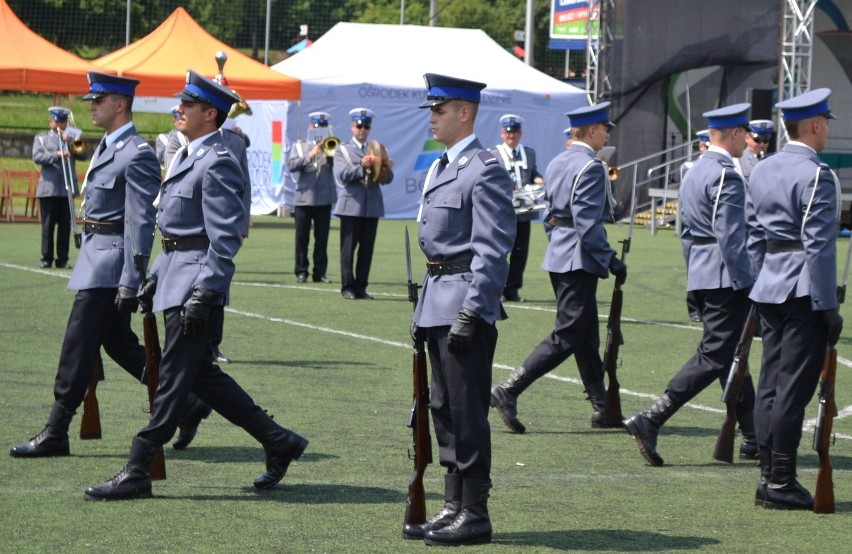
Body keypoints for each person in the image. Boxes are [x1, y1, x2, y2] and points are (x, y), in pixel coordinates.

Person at [83, 70, 308, 501]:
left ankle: (138, 465)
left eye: (186, 105)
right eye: (179, 103)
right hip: (175, 276)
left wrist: (206, 291)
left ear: (210, 113)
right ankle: (278, 439)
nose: (177, 110)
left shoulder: (218, 159)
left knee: (174, 377)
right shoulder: (188, 153)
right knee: (200, 375)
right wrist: (154, 276)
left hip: (195, 285)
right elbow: (174, 229)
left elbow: (223, 239)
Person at [10, 73, 163, 458]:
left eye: (100, 99)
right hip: (97, 258)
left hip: (110, 266)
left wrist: (132, 277)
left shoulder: (137, 152)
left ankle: (57, 428)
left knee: (77, 344)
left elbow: (140, 222)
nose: (91, 105)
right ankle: (190, 400)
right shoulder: (108, 145)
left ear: (121, 104)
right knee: (118, 344)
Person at [402, 73, 515, 546]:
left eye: (440, 110)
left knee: (468, 412)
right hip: (436, 300)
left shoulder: (484, 167)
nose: (432, 118)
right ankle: (452, 506)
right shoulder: (442, 166)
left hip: (464, 303)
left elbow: (493, 247)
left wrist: (475, 308)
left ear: (464, 113)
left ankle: (476, 512)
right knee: (443, 409)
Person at [623, 103, 758, 466]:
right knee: (718, 353)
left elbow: (685, 233)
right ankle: (653, 417)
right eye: (744, 133)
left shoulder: (696, 171)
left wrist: (695, 280)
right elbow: (731, 238)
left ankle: (753, 433)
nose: (747, 140)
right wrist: (747, 283)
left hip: (704, 270)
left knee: (733, 352)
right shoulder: (727, 174)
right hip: (726, 275)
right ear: (732, 135)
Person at [490, 102, 627, 434]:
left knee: (585, 334)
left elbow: (550, 216)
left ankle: (601, 406)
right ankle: (509, 390)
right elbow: (587, 223)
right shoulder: (591, 167)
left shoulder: (558, 161)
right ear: (593, 130)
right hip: (579, 258)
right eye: (604, 129)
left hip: (561, 254)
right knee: (568, 333)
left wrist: (560, 243)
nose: (606, 135)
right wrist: (610, 258)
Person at [746, 88, 842, 510]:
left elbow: (753, 235)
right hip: (803, 288)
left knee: (770, 383)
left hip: (769, 284)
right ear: (816, 125)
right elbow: (819, 247)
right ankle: (781, 481)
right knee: (793, 389)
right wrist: (828, 305)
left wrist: (760, 281)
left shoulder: (762, 169)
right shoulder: (818, 173)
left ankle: (769, 475)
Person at [333, 107, 394, 299]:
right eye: (359, 126)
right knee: (348, 250)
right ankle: (348, 287)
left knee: (366, 251)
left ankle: (361, 287)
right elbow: (342, 175)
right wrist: (362, 167)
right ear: (352, 126)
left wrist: (385, 168)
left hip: (372, 206)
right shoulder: (342, 150)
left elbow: (387, 179)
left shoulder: (376, 149)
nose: (362, 130)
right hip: (350, 206)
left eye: (366, 126)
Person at [490, 114, 544, 303]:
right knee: (500, 252)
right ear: (501, 134)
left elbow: (533, 172)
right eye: (507, 132)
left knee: (520, 253)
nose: (511, 136)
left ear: (520, 134)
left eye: (514, 133)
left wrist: (538, 178)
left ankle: (513, 290)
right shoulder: (494, 153)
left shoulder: (529, 153)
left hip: (524, 211)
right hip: (502, 212)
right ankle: (497, 290)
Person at [32, 106, 90, 269]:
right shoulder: (42, 138)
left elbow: (84, 155)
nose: (60, 124)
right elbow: (36, 156)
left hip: (66, 189)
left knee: (65, 226)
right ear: (50, 121)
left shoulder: (71, 137)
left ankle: (62, 259)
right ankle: (46, 258)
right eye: (57, 121)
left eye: (63, 121)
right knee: (48, 226)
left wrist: (72, 141)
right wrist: (55, 155)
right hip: (49, 189)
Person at [288, 111, 336, 284]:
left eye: (322, 127)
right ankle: (301, 270)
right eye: (316, 126)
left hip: (324, 199)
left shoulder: (331, 146)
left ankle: (319, 272)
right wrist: (310, 154)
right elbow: (291, 165)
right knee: (302, 238)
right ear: (310, 127)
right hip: (304, 199)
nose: (318, 130)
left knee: (322, 238)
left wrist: (329, 152)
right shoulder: (299, 146)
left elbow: (337, 166)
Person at [681, 129, 710, 323]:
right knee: (693, 264)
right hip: (693, 223)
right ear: (701, 146)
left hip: (708, 224)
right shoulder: (690, 166)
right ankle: (694, 305)